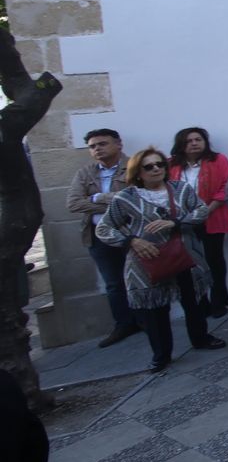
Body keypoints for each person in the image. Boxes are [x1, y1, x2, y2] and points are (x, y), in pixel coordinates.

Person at [96, 146, 227, 372]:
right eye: (149, 166)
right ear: (138, 172)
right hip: (146, 259)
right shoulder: (125, 198)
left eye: (160, 165)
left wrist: (176, 222)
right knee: (155, 309)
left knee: (193, 300)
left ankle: (201, 337)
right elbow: (104, 228)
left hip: (182, 254)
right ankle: (161, 354)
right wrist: (131, 241)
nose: (156, 169)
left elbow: (201, 210)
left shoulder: (180, 189)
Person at [66, 128, 138, 347]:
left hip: (131, 233)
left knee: (140, 279)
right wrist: (112, 199)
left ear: (118, 144)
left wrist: (98, 197)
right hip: (98, 237)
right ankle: (124, 324)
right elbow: (73, 203)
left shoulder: (134, 167)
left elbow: (137, 196)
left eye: (102, 144)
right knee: (113, 283)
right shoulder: (85, 173)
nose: (97, 149)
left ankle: (146, 319)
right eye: (93, 146)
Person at [168, 127, 228, 316]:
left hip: (212, 216)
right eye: (189, 141)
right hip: (183, 221)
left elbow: (226, 185)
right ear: (181, 144)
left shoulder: (217, 160)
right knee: (192, 262)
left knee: (214, 259)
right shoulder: (171, 164)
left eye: (198, 139)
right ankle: (201, 300)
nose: (194, 143)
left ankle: (218, 299)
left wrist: (208, 209)